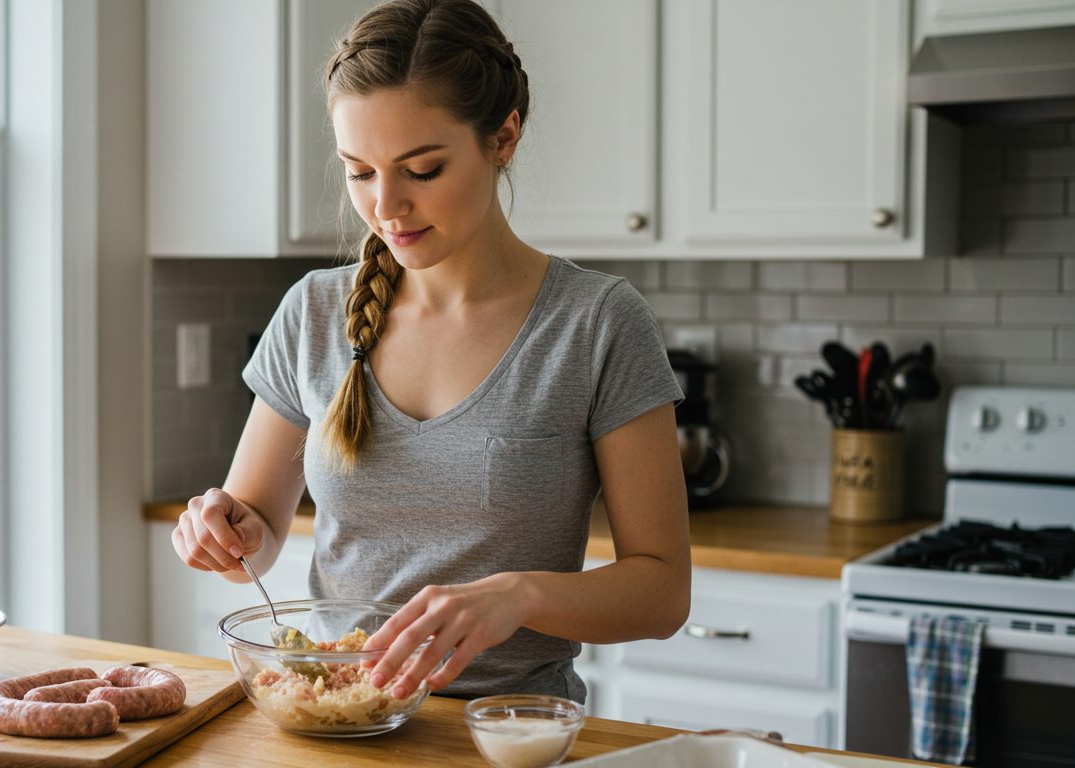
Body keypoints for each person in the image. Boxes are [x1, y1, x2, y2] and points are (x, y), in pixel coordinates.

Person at [172, 0, 689, 703]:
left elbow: (662, 593)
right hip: (340, 718)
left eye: (422, 169)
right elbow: (253, 537)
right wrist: (220, 532)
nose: (387, 206)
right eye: (360, 172)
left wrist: (520, 596)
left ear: (502, 137)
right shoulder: (315, 311)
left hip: (506, 732)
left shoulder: (595, 322)